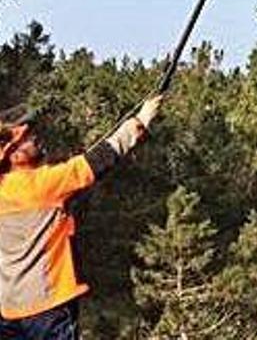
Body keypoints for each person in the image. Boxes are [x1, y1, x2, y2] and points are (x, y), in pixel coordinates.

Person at [0, 96, 163, 339]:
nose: (36, 138)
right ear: (14, 154)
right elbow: (99, 160)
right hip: (49, 309)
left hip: (8, 310)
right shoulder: (44, 185)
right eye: (28, 138)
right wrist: (141, 120)